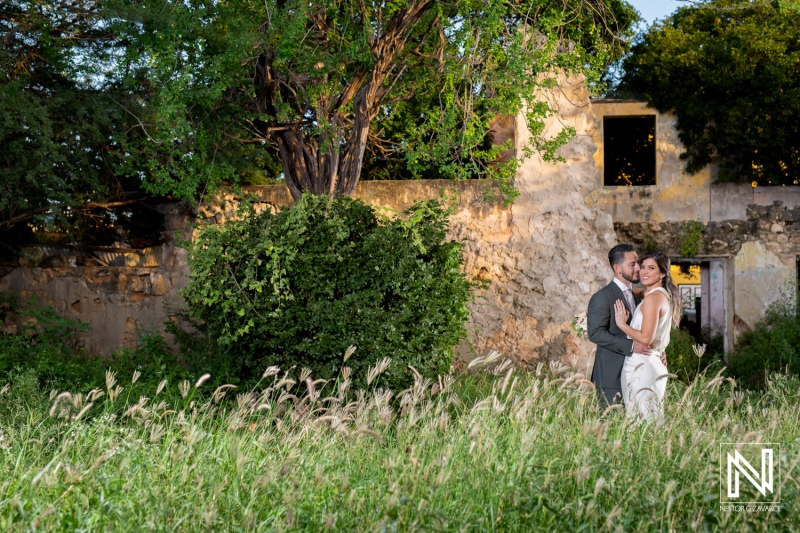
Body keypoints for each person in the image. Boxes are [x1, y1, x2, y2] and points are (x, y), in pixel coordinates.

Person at [588, 244, 665, 411]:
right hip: (611, 376)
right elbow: (595, 333)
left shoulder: (639, 296)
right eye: (633, 264)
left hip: (637, 374)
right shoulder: (602, 297)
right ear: (617, 268)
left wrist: (656, 351)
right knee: (612, 427)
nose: (638, 268)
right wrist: (632, 346)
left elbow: (645, 330)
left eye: (638, 263)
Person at [613, 251, 681, 422]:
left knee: (642, 422)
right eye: (642, 267)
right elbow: (634, 291)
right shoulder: (657, 294)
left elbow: (645, 338)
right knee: (648, 419)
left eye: (651, 268)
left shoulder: (654, 298)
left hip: (642, 365)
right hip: (650, 361)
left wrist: (622, 324)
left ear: (662, 273)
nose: (644, 272)